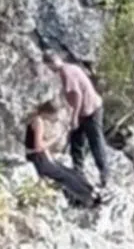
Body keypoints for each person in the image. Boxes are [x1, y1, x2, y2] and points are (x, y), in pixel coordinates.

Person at [43, 51, 110, 187]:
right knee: (76, 141)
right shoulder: (71, 68)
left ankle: (104, 174)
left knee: (95, 141)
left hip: (91, 111)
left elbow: (77, 96)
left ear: (50, 64)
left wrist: (74, 118)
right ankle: (78, 172)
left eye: (49, 66)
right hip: (86, 110)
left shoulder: (67, 74)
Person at [24, 101, 97, 206]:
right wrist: (54, 139)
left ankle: (90, 191)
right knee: (64, 176)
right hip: (36, 158)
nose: (55, 118)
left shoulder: (39, 120)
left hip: (41, 157)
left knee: (70, 172)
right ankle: (87, 198)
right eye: (54, 115)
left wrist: (51, 159)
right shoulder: (38, 122)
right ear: (48, 113)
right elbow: (38, 146)